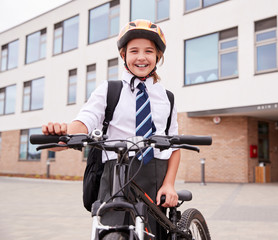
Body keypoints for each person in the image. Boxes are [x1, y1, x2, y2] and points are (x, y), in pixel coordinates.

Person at [42, 19, 180, 238]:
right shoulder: (109, 90)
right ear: (123, 55)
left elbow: (174, 145)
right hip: (116, 174)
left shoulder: (167, 98)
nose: (141, 57)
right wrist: (63, 133)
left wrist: (170, 184)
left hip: (156, 175)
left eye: (149, 51)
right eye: (134, 51)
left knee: (155, 233)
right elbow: (84, 122)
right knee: (112, 232)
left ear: (158, 57)